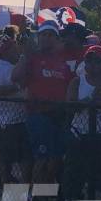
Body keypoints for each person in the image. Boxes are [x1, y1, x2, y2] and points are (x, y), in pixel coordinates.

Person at [12, 21, 73, 184]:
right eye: (44, 34)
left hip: (59, 116)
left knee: (55, 160)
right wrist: (26, 55)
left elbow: (69, 86)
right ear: (39, 37)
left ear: (56, 39)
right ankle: (36, 198)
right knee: (42, 159)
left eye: (51, 35)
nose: (47, 38)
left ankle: (45, 196)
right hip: (39, 116)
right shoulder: (33, 58)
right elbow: (15, 76)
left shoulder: (63, 61)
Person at [63, 45, 101, 200]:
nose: (92, 65)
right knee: (75, 176)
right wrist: (90, 100)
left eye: (97, 61)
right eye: (89, 61)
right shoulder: (77, 82)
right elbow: (70, 106)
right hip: (80, 135)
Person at [0, 34, 31, 186]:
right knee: (7, 158)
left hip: (23, 118)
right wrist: (16, 87)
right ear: (5, 50)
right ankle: (5, 183)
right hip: (7, 121)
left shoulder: (18, 65)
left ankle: (25, 187)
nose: (16, 49)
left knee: (25, 156)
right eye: (12, 47)